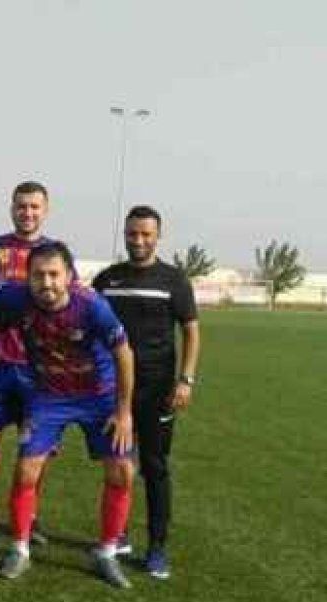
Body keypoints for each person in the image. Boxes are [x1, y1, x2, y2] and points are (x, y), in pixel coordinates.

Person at [0, 242, 137, 588]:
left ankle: (107, 552)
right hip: (49, 397)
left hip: (98, 395)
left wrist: (123, 412)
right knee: (27, 469)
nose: (47, 283)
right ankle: (20, 549)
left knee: (122, 471)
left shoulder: (93, 307)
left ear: (69, 276)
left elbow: (124, 354)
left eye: (54, 274)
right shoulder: (18, 297)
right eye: (38, 275)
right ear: (27, 278)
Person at [91, 205, 200, 579]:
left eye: (145, 234)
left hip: (157, 391)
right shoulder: (108, 279)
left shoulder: (173, 280)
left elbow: (191, 331)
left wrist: (186, 380)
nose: (138, 240)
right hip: (114, 391)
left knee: (154, 467)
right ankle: (117, 534)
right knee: (118, 465)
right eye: (132, 234)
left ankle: (156, 547)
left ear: (158, 236)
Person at [0, 181, 57, 539]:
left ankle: (27, 517)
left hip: (39, 371)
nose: (28, 213)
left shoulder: (55, 254)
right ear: (12, 208)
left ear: (45, 210)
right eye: (22, 206)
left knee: (36, 451)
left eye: (34, 207)